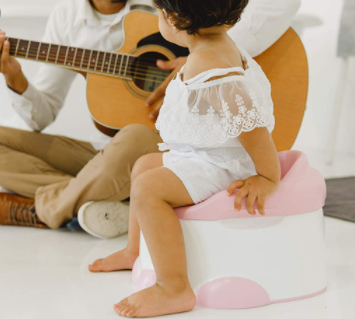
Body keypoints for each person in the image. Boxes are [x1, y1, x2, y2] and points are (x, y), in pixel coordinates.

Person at [0, 0, 300, 238]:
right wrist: (14, 77)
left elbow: (278, 4)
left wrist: (205, 50)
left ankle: (48, 209)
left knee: (134, 138)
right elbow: (41, 117)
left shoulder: (188, 19)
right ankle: (96, 200)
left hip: (174, 149)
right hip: (104, 154)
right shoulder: (67, 16)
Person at [90, 0, 281, 317]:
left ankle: (173, 287)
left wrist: (266, 176)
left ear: (174, 18)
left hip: (221, 165)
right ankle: (134, 251)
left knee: (149, 187)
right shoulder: (212, 47)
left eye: (156, 11)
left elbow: (252, 125)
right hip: (205, 154)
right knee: (144, 166)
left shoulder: (211, 65)